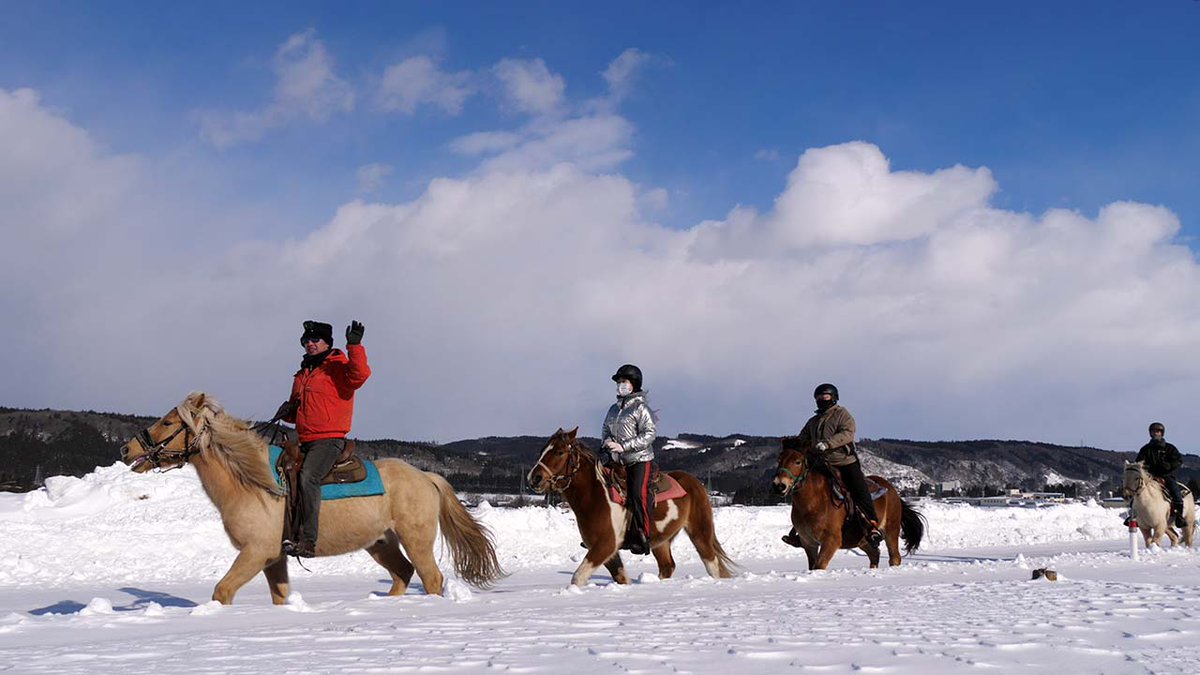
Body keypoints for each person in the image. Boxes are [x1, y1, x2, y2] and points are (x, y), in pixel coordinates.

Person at [275, 320, 371, 557]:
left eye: (315, 339)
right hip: (304, 438)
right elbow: (299, 410)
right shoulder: (303, 373)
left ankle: (308, 541)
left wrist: (354, 346)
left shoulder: (338, 367)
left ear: (327, 342)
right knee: (280, 472)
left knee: (308, 477)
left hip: (329, 439)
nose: (310, 344)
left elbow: (360, 375)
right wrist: (287, 411)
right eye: (306, 340)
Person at [782, 383, 883, 547]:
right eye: (819, 397)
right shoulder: (813, 421)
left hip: (843, 461)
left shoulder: (843, 415)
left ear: (834, 397)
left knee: (858, 489)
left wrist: (827, 444)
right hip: (820, 463)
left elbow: (847, 433)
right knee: (803, 488)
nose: (822, 399)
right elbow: (803, 438)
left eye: (826, 396)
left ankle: (871, 525)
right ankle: (798, 530)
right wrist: (792, 445)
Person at [601, 364, 657, 555]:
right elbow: (605, 430)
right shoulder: (612, 409)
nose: (620, 385)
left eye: (623, 381)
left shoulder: (641, 408)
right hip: (617, 459)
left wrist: (624, 446)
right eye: (618, 382)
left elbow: (650, 434)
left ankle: (642, 535)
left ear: (634, 384)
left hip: (639, 459)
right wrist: (608, 442)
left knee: (636, 494)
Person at [1136, 422, 1186, 529]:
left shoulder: (1169, 448)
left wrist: (1169, 466)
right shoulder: (1145, 449)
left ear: (1162, 433)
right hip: (1150, 477)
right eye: (1153, 431)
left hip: (1166, 475)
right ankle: (1133, 515)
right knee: (1136, 492)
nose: (1155, 433)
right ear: (1150, 433)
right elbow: (1138, 462)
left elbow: (1179, 460)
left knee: (1175, 492)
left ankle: (1179, 516)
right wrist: (1144, 469)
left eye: (1158, 431)